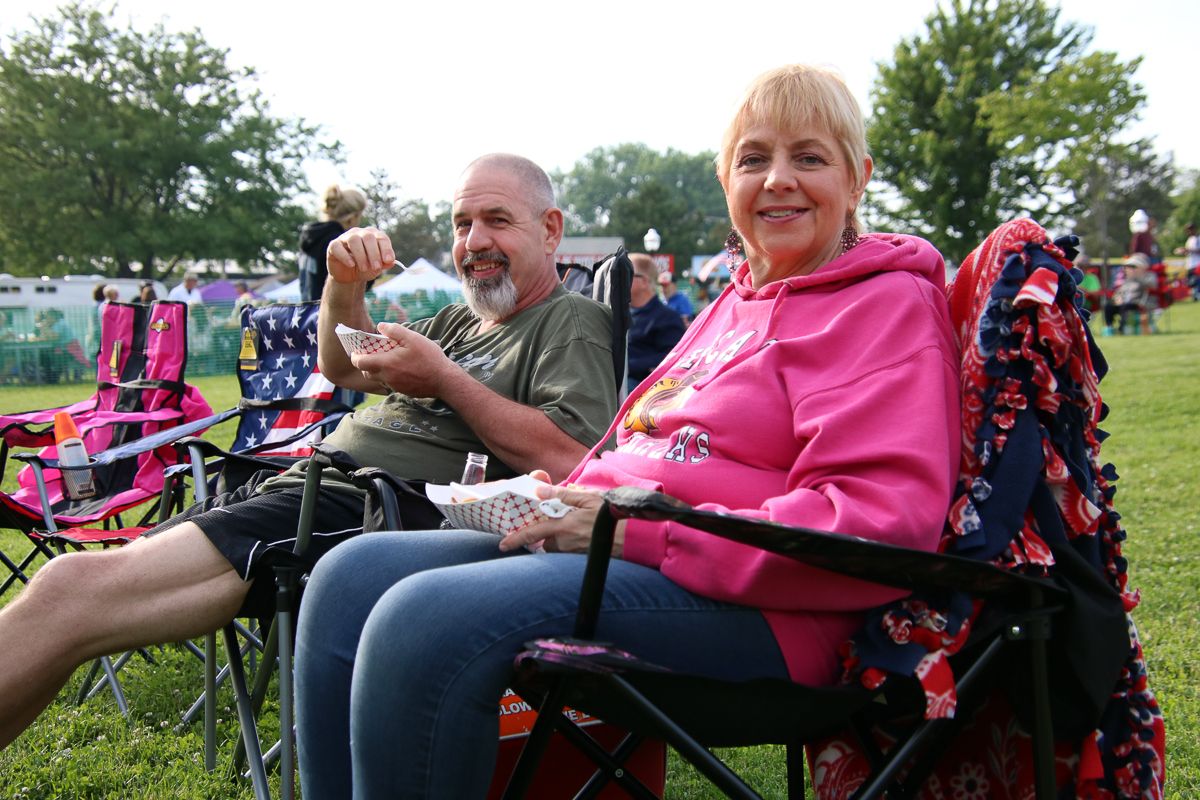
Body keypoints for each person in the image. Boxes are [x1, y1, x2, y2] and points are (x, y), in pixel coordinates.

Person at [295, 64, 960, 798]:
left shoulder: (883, 307)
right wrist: (559, 495)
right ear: (725, 180)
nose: (777, 180)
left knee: (421, 622)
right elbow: (644, 446)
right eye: (753, 159)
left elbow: (877, 527)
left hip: (776, 611)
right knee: (347, 576)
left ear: (857, 177)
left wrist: (637, 526)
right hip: (624, 552)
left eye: (809, 157)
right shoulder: (733, 303)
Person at [0, 153, 618, 749]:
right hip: (304, 485)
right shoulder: (459, 320)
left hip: (368, 511)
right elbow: (342, 365)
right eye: (462, 224)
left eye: (497, 220)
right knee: (69, 601)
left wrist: (445, 381)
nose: (474, 241)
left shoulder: (570, 321)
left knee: (68, 587)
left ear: (550, 229)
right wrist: (343, 285)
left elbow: (574, 461)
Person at [625, 253, 686, 391]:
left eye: (627, 274)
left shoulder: (668, 318)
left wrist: (627, 366)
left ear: (645, 282)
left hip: (644, 391)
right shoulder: (620, 315)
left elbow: (673, 360)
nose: (620, 279)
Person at [300, 184, 368, 302]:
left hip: (306, 314)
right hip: (330, 315)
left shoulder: (310, 239)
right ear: (351, 218)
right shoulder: (339, 243)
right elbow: (350, 288)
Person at [1175, 222, 1200, 300]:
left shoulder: (1198, 238)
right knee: (1191, 282)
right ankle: (1195, 295)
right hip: (1190, 264)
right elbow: (1189, 252)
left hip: (1197, 264)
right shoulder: (1189, 240)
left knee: (1196, 281)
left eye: (1190, 230)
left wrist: (1188, 250)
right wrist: (1184, 251)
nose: (1189, 232)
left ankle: (1197, 295)